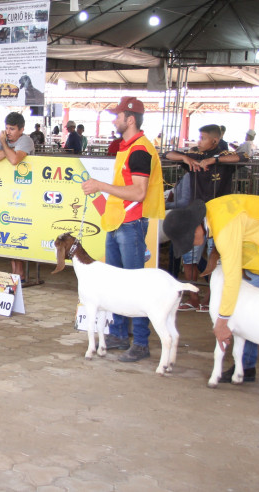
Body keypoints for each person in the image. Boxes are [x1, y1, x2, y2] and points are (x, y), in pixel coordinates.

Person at [163, 195, 259, 401]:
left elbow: (232, 278)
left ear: (196, 229)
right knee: (245, 304)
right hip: (256, 239)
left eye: (188, 241)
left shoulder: (224, 227)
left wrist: (222, 322)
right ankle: (245, 367)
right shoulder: (210, 219)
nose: (191, 246)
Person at [79, 96, 165, 362]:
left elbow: (139, 193)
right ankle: (117, 332)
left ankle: (140, 342)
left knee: (136, 284)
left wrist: (100, 186)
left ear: (130, 119)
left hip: (131, 224)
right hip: (119, 223)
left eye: (117, 115)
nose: (114, 119)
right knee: (116, 283)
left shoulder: (140, 149)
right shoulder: (127, 147)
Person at [163, 124, 248, 311]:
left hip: (220, 215)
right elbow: (167, 154)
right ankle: (193, 298)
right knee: (189, 256)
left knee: (216, 257)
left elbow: (244, 156)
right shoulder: (196, 156)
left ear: (215, 140)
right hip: (196, 214)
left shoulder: (223, 158)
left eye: (202, 138)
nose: (198, 141)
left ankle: (210, 300)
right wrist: (185, 157)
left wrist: (214, 160)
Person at [0, 111, 35, 279]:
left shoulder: (25, 140)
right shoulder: (6, 140)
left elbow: (15, 160)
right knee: (10, 229)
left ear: (21, 130)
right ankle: (15, 273)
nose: (8, 132)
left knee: (18, 231)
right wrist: (9, 150)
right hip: (9, 191)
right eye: (7, 128)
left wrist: (5, 147)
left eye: (12, 129)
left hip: (26, 192)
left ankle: (19, 274)